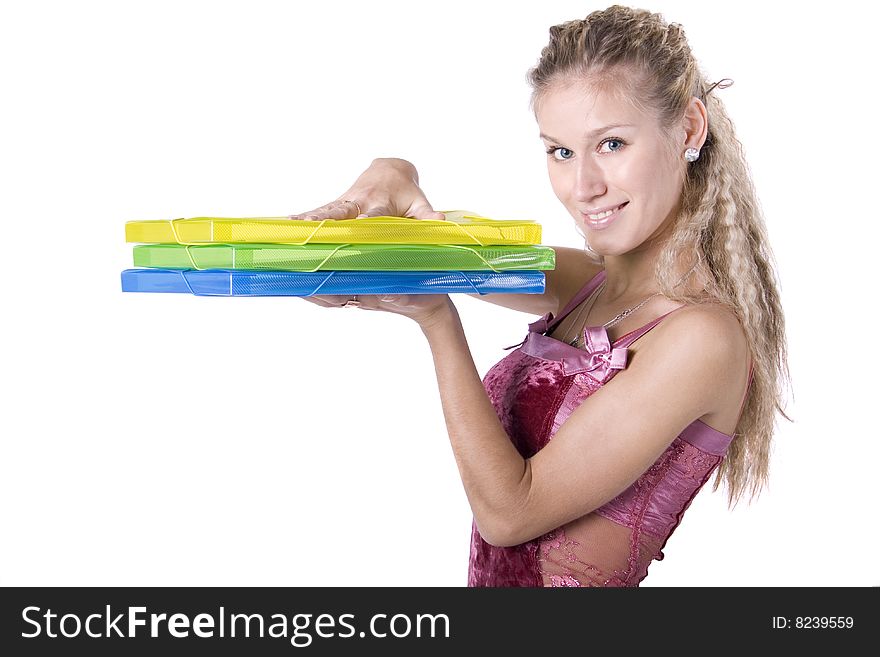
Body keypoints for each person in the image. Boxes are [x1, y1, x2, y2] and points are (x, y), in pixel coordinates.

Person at [291, 5, 788, 586]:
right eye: (561, 151)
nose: (583, 187)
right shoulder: (585, 285)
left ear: (689, 128)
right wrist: (393, 172)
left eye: (611, 144)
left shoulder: (701, 338)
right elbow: (433, 250)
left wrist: (437, 322)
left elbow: (509, 513)